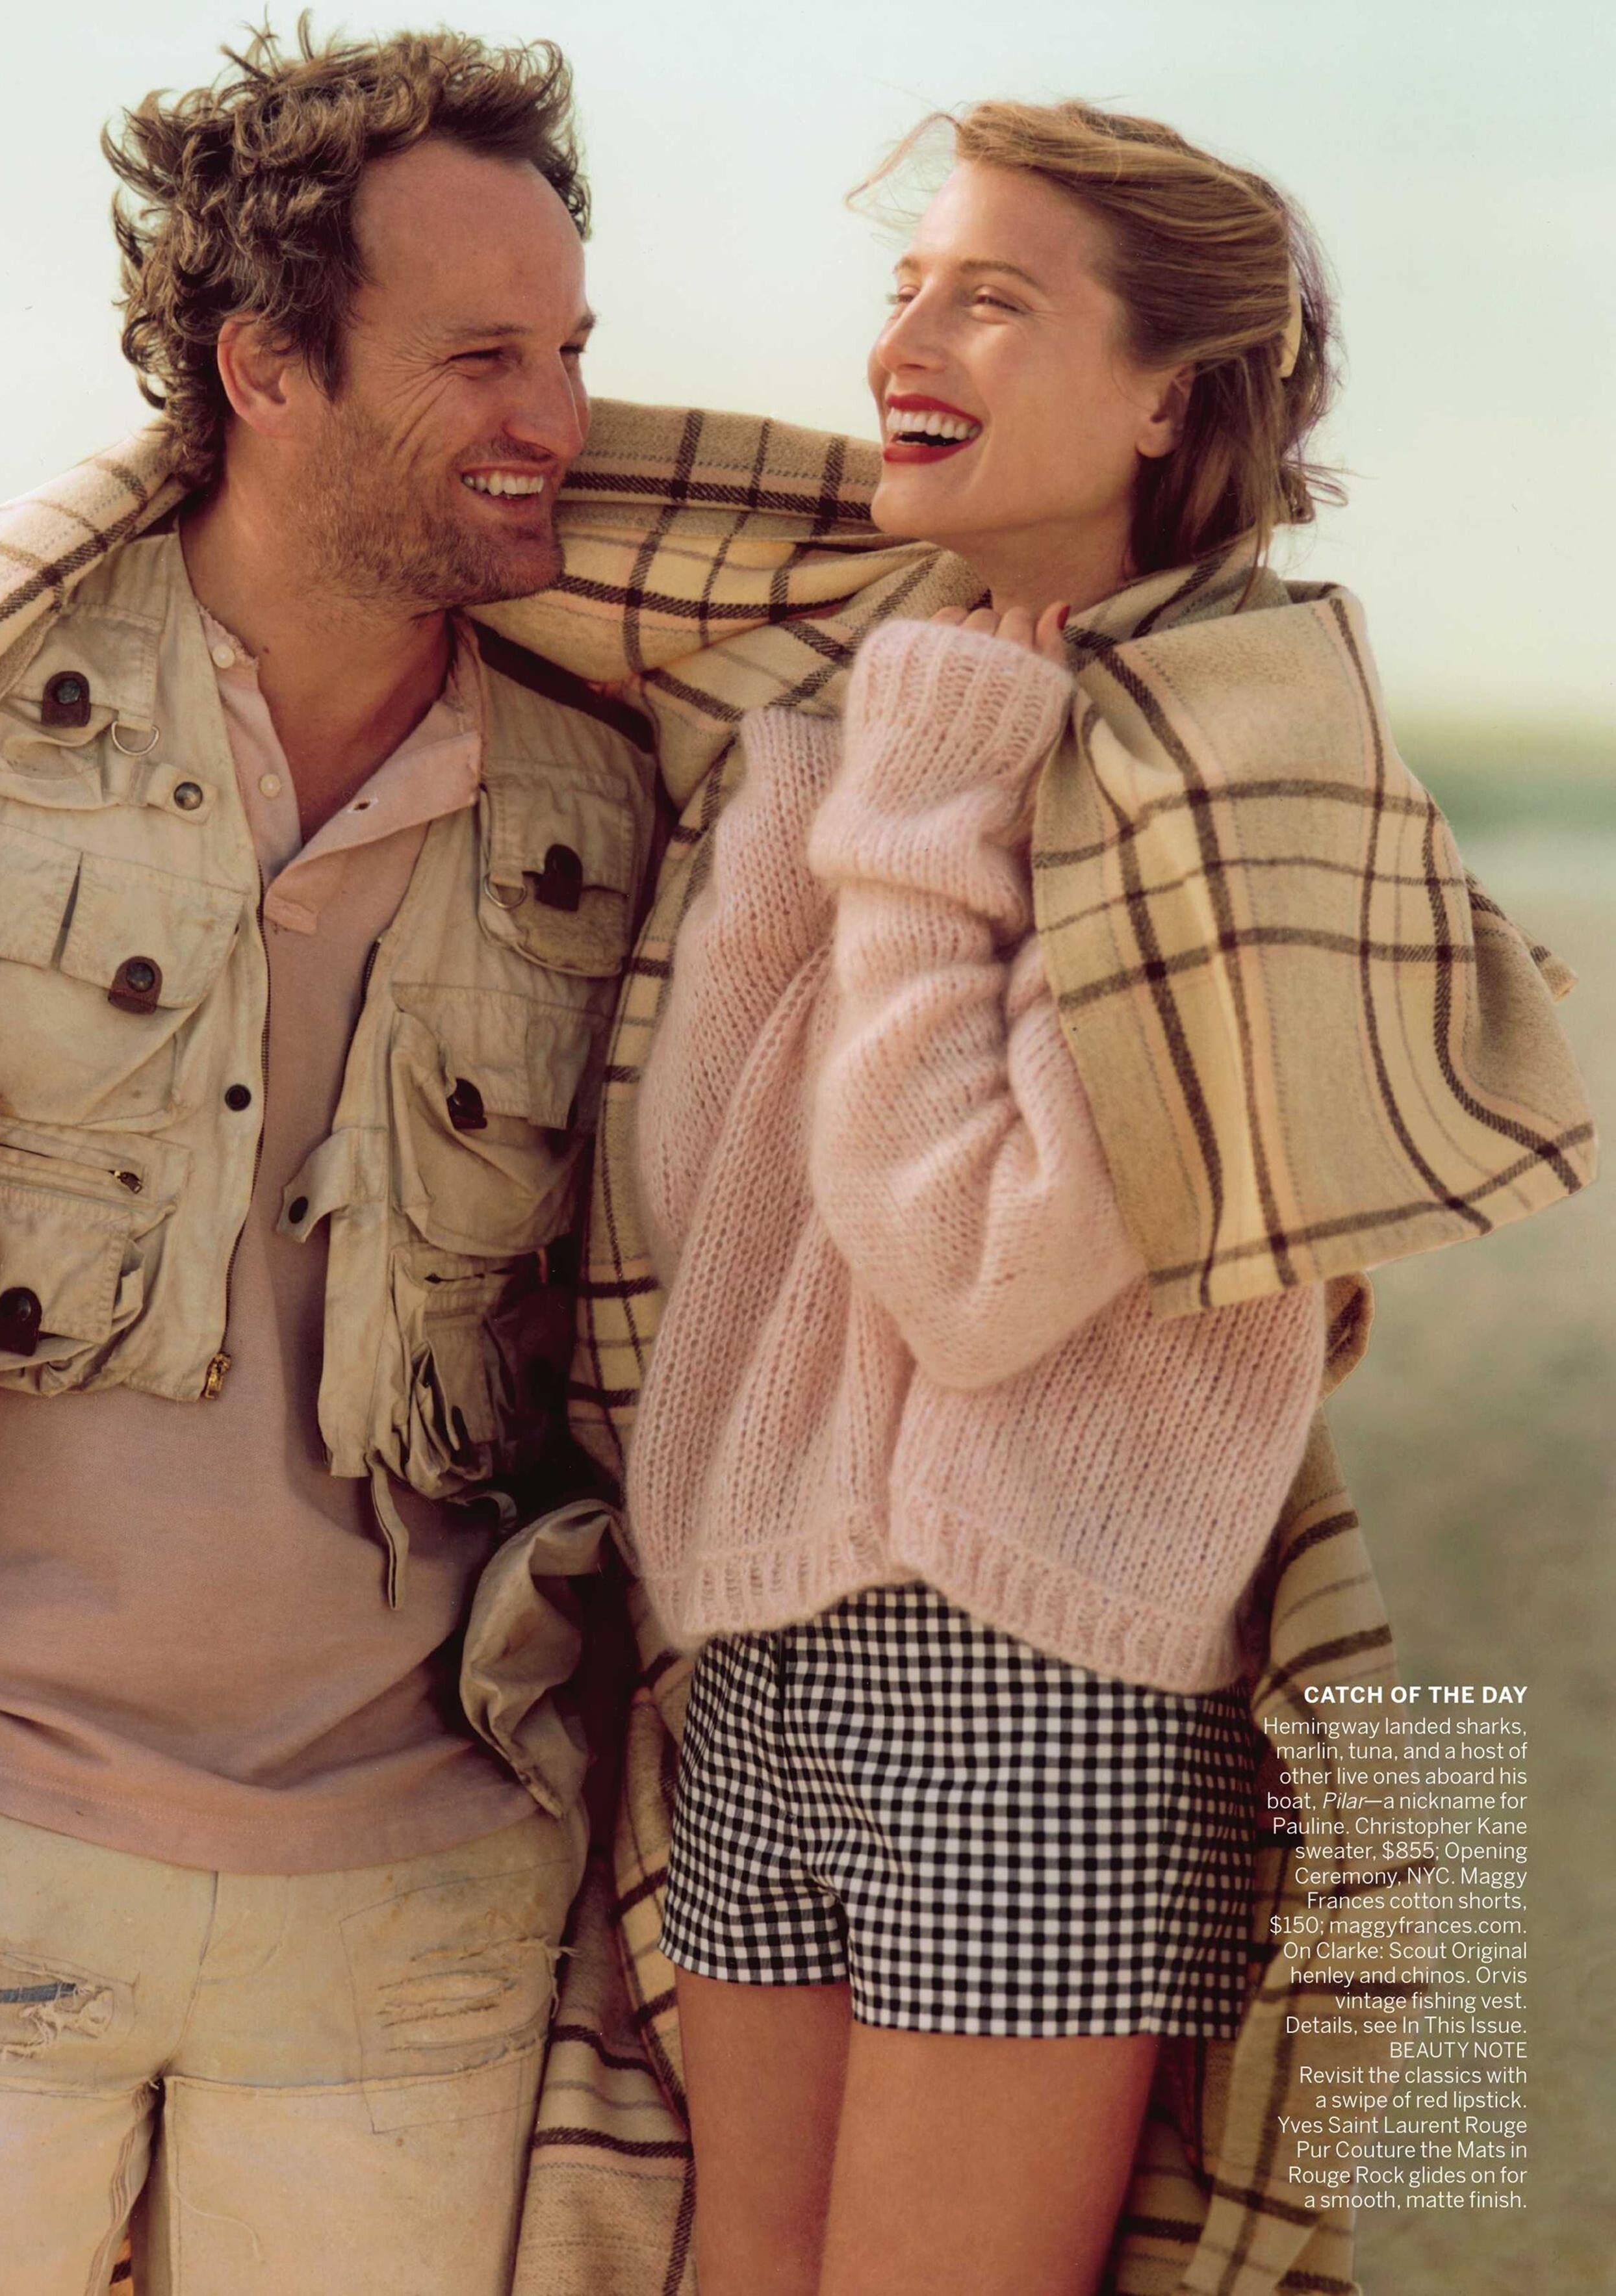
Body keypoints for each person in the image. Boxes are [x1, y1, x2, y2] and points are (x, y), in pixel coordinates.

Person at [615, 100, 1597, 2296]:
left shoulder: (1245, 765)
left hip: (1035, 1675)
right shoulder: (900, 703)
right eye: (904, 287)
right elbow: (720, 1201)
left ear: (1170, 395)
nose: (906, 340)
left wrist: (923, 800)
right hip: (759, 1636)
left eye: (992, 298)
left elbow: (970, 1269)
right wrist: (845, 776)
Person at [0, 27, 656, 2291]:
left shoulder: (613, 798)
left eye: (568, 348)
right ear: (265, 367)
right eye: (479, 355)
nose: (557, 415)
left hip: (410, 1909)